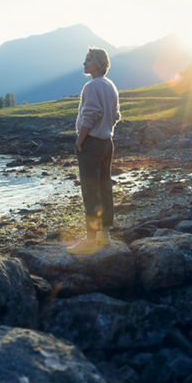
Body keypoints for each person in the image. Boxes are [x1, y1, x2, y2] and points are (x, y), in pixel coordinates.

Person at [68, 47, 121, 254]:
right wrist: (106, 132)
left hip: (91, 143)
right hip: (107, 142)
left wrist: (80, 141)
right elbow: (115, 116)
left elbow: (90, 115)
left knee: (90, 189)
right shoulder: (111, 85)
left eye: (88, 60)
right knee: (104, 186)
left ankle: (90, 238)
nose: (84, 63)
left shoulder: (91, 86)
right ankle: (105, 235)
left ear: (99, 64)